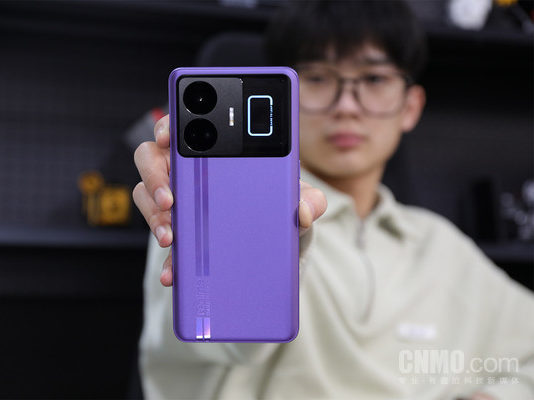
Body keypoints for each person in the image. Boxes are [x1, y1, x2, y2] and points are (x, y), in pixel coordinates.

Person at [132, 1, 534, 399]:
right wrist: (239, 218)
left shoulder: (442, 246)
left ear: (410, 107)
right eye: (318, 77)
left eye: (374, 78)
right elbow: (225, 333)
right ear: (283, 95)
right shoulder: (203, 210)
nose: (346, 106)